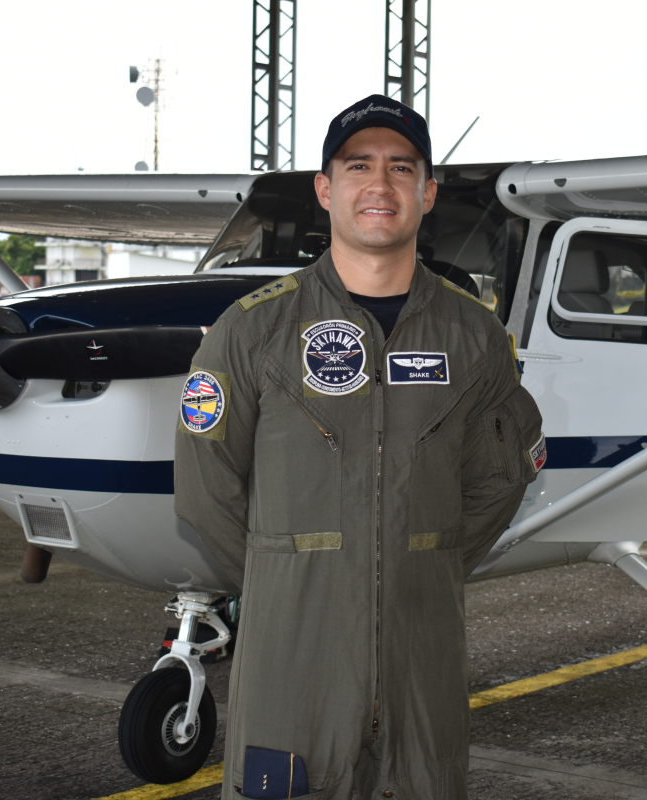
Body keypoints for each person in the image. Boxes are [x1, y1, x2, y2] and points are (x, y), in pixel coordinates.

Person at [174, 94, 545, 800]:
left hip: (422, 663)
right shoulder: (251, 332)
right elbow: (205, 490)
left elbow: (500, 478)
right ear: (326, 188)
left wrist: (418, 562)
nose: (380, 185)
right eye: (358, 166)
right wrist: (295, 577)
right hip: (292, 666)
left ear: (427, 193)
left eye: (402, 168)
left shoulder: (474, 336)